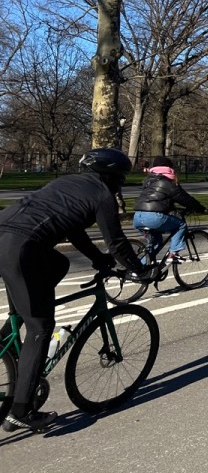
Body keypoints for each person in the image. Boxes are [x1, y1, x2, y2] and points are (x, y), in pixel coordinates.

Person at [0, 148, 153, 433]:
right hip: (21, 249)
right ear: (111, 176)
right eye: (120, 177)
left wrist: (98, 259)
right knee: (41, 328)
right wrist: (142, 270)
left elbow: (74, 230)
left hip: (6, 237)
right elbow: (118, 242)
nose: (121, 183)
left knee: (58, 262)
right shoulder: (102, 196)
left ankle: (8, 344)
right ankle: (21, 411)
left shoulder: (66, 183)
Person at [133, 156, 208, 263]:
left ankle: (141, 270)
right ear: (169, 169)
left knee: (156, 242)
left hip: (138, 217)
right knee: (181, 225)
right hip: (154, 218)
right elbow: (184, 198)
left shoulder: (148, 181)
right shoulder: (168, 183)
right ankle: (173, 254)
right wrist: (200, 208)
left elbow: (157, 199)